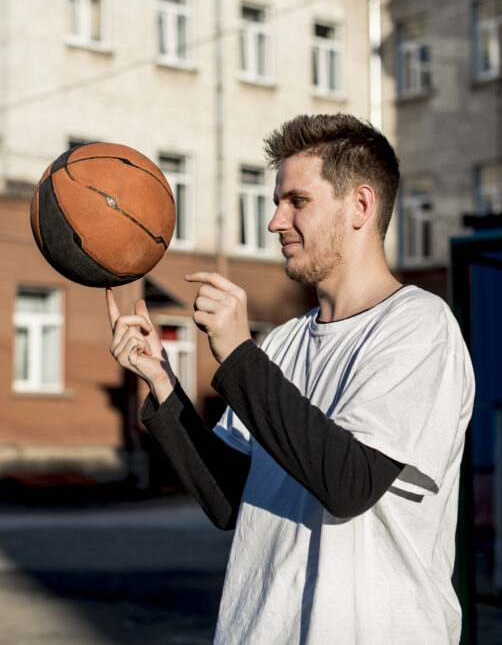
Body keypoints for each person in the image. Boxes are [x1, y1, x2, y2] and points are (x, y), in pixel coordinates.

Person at [105, 113, 475, 644]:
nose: (275, 221)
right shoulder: (281, 343)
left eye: (297, 201)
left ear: (360, 206)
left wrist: (236, 353)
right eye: (278, 202)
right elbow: (229, 498)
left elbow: (349, 485)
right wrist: (161, 382)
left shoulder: (419, 326)